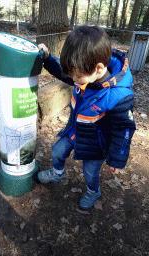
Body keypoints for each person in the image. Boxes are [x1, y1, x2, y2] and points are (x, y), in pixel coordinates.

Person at [37, 25, 136, 210]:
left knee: (89, 172)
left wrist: (117, 158)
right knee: (57, 151)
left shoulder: (119, 96)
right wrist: (48, 58)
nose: (74, 80)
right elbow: (64, 73)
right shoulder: (84, 71)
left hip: (97, 144)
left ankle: (93, 191)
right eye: (72, 75)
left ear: (99, 69)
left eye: (77, 77)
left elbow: (124, 128)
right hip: (76, 131)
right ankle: (57, 173)